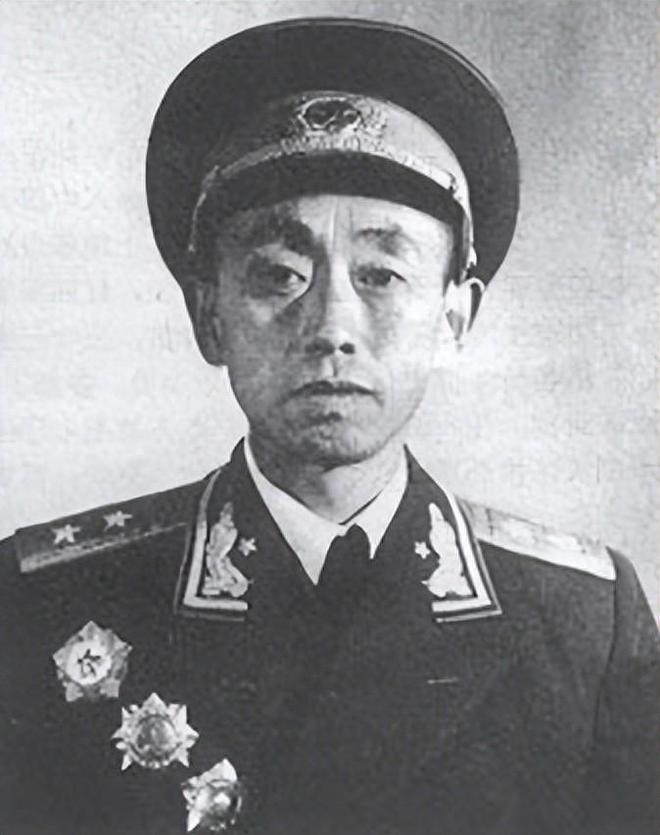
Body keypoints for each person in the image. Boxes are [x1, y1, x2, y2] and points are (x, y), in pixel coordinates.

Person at [0, 17, 657, 835]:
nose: (331, 326)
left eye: (381, 274)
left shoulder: (582, 623)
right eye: (280, 274)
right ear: (209, 315)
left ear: (455, 317)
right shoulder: (44, 600)